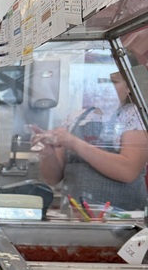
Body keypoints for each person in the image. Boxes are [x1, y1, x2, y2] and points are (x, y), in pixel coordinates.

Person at [30, 59, 148, 211]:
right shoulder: (74, 118)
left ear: (129, 87)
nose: (104, 87)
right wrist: (47, 153)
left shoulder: (134, 116)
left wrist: (74, 143)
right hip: (75, 215)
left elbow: (128, 172)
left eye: (113, 81)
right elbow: (53, 178)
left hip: (121, 217)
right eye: (99, 81)